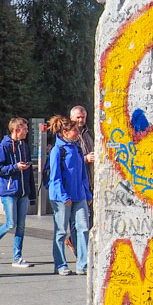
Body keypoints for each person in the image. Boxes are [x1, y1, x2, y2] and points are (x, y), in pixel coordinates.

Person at [0, 118, 35, 269]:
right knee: (11, 223)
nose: (27, 131)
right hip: (9, 191)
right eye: (25, 128)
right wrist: (15, 167)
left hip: (23, 191)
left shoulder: (24, 146)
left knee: (21, 226)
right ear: (16, 130)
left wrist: (31, 194)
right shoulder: (3, 147)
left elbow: (29, 172)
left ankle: (17, 257)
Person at [47, 115, 91, 276]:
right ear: (65, 132)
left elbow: (82, 174)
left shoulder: (77, 148)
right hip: (61, 198)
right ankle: (60, 264)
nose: (77, 132)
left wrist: (87, 193)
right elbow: (55, 177)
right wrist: (64, 196)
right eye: (74, 130)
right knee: (60, 231)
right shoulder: (58, 150)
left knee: (83, 228)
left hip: (79, 196)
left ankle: (83, 263)